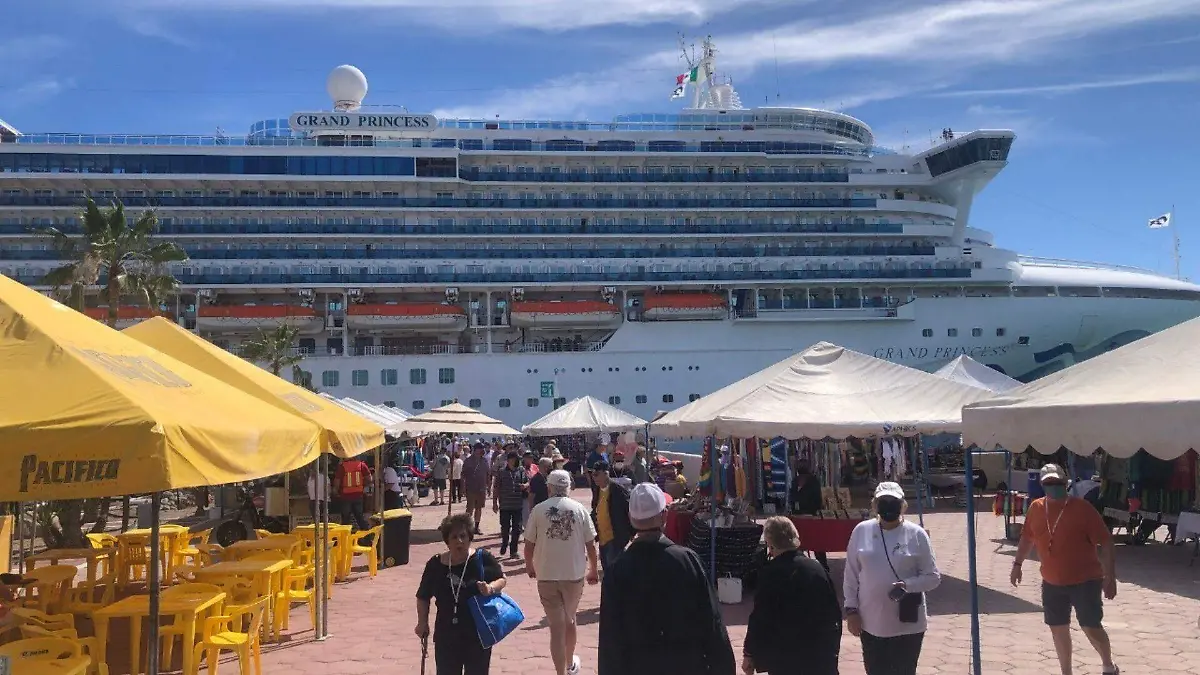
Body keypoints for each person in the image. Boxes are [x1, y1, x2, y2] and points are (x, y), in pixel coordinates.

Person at [598, 483, 736, 675]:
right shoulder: (687, 561)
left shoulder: (617, 570)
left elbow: (610, 639)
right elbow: (712, 622)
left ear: (631, 518)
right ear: (664, 515)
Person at [1012, 464, 1119, 675]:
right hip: (1052, 582)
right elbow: (1027, 538)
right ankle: (1066, 672)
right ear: (1042, 485)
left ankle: (1108, 664)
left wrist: (1110, 576)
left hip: (1085, 580)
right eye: (1049, 484)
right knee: (1058, 628)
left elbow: (1106, 542)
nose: (1054, 487)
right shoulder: (1036, 508)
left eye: (1058, 483)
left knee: (1090, 626)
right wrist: (1017, 565)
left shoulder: (1083, 508)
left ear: (1066, 483)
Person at [844, 482, 941, 675]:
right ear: (874, 505)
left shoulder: (917, 534)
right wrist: (851, 610)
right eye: (883, 501)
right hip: (871, 622)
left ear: (903, 505)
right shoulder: (861, 531)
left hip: (908, 625)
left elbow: (933, 577)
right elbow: (851, 575)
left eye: (893, 501)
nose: (888, 506)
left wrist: (908, 585)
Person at [743, 516, 843, 675]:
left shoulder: (771, 573)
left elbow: (760, 617)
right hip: (819, 656)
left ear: (770, 543)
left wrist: (749, 654)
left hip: (785, 658)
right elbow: (834, 614)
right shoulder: (817, 569)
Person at [525, 470, 600, 675]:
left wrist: (529, 565)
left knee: (556, 627)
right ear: (568, 487)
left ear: (549, 487)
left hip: (547, 574)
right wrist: (593, 569)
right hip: (573, 574)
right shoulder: (579, 509)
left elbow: (529, 543)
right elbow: (591, 545)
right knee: (570, 619)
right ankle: (569, 664)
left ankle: (561, 671)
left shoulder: (539, 510)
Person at [415, 513, 507, 675]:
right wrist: (422, 623)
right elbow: (423, 596)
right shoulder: (435, 564)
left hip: (478, 634)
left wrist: (490, 588)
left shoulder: (481, 558)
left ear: (470, 537)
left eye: (463, 536)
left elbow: (501, 579)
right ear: (447, 541)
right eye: (454, 537)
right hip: (446, 635)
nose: (460, 541)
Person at [590, 461, 633, 574]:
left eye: (596, 474)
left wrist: (631, 533)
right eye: (592, 474)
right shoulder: (597, 489)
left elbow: (629, 511)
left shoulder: (618, 490)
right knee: (607, 572)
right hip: (602, 539)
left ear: (606, 473)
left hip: (615, 538)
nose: (594, 478)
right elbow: (595, 510)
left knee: (615, 573)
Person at [790, 459, 829, 571]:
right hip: (798, 516)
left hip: (811, 516)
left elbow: (817, 499)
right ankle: (799, 565)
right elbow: (792, 496)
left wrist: (814, 511)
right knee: (798, 542)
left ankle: (824, 566)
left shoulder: (813, 481)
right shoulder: (795, 481)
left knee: (817, 543)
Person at [493, 450, 530, 559]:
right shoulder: (502, 471)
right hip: (505, 504)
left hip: (517, 504)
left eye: (516, 459)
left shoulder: (521, 470)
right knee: (505, 527)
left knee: (517, 528)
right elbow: (496, 487)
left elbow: (527, 482)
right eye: (513, 459)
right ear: (508, 460)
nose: (515, 461)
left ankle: (513, 550)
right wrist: (495, 502)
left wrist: (525, 485)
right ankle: (505, 543)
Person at [336, 454, 372, 531]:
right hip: (358, 495)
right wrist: (362, 485)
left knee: (345, 519)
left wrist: (335, 491)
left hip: (345, 496)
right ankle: (367, 537)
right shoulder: (362, 465)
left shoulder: (342, 467)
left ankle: (345, 538)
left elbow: (337, 482)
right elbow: (369, 479)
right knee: (360, 517)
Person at [462, 442, 490, 535]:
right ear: (475, 449)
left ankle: (476, 527)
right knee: (470, 509)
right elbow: (463, 475)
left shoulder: (484, 461)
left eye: (482, 449)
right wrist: (462, 488)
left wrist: (488, 487)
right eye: (480, 448)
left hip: (481, 488)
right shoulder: (468, 461)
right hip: (471, 488)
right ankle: (467, 527)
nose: (482, 450)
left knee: (479, 508)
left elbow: (488, 474)